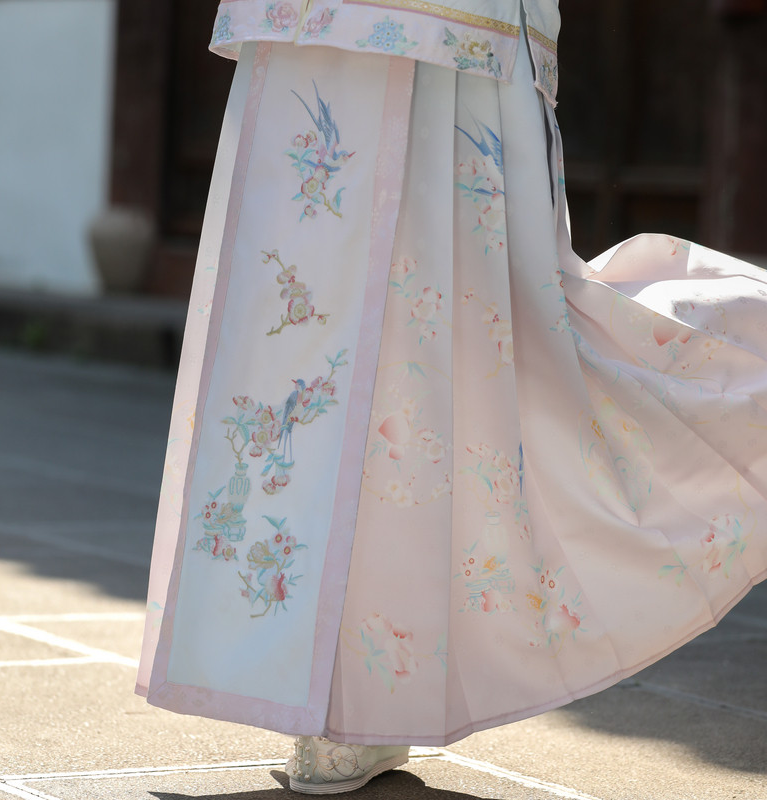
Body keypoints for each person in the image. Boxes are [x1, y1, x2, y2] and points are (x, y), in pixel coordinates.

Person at [136, 0, 767, 793]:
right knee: (311, 330)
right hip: (324, 22)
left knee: (460, 337)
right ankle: (358, 694)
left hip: (448, 30)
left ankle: (360, 697)